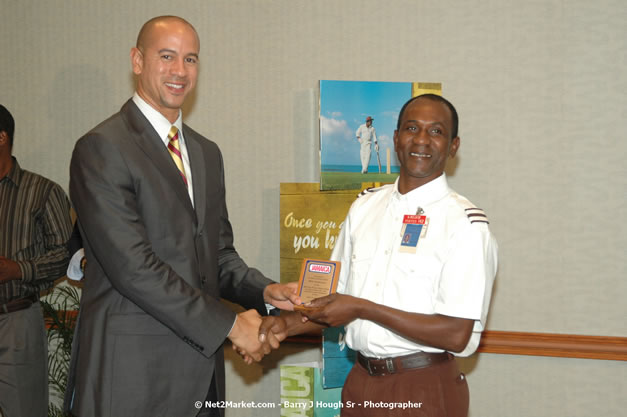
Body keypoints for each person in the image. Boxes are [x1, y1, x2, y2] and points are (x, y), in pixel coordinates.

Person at [65, 16, 298, 417]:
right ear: (137, 61)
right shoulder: (102, 148)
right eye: (167, 56)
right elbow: (133, 268)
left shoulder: (206, 152)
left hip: (202, 377)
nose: (179, 71)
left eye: (190, 59)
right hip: (133, 376)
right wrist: (230, 325)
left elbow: (217, 255)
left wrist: (263, 291)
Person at [264, 94, 498, 417]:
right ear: (395, 138)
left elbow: (456, 334)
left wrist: (363, 307)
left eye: (436, 131)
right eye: (412, 128)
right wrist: (285, 325)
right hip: (360, 381)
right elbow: (335, 298)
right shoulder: (364, 207)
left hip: (423, 388)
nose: (421, 140)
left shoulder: (465, 225)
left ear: (453, 146)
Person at [0, 104, 73, 417]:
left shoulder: (43, 191)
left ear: (2, 137)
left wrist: (17, 269)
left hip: (15, 321)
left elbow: (67, 255)